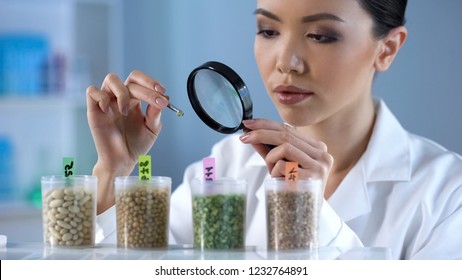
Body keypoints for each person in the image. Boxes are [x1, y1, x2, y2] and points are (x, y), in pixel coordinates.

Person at [86, 0, 462, 259]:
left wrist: (312, 216)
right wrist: (113, 172)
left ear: (387, 49)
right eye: (267, 30)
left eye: (321, 35)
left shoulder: (447, 194)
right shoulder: (229, 163)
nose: (286, 62)